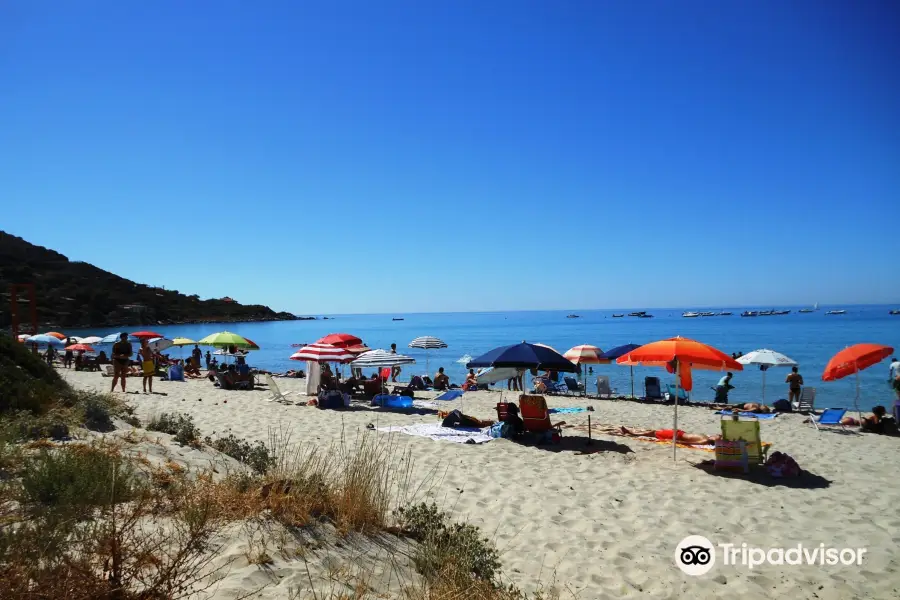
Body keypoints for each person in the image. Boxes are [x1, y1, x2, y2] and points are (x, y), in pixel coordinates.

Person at [619, 425, 719, 445]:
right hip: (678, 433)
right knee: (654, 432)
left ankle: (630, 432)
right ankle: (632, 432)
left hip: (677, 436)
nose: (717, 435)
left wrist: (677, 441)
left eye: (717, 436)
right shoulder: (707, 437)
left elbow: (689, 442)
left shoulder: (705, 440)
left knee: (653, 433)